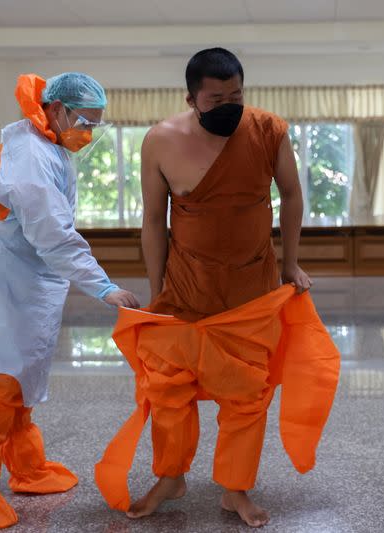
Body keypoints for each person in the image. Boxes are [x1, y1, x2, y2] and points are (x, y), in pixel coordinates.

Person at [94, 48, 340, 528]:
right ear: (191, 98)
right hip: (186, 284)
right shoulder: (160, 140)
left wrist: (291, 263)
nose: (230, 104)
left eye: (237, 95)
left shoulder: (269, 131)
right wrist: (158, 289)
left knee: (247, 393)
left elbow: (291, 195)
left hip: (251, 284)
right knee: (168, 388)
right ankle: (170, 476)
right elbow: (152, 220)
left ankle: (234, 488)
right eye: (216, 97)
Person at [0, 72, 139, 530]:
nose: (87, 133)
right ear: (55, 109)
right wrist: (104, 286)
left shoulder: (46, 145)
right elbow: (54, 236)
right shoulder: (31, 156)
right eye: (83, 122)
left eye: (94, 125)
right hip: (2, 279)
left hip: (23, 274)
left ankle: (27, 468)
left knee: (23, 375)